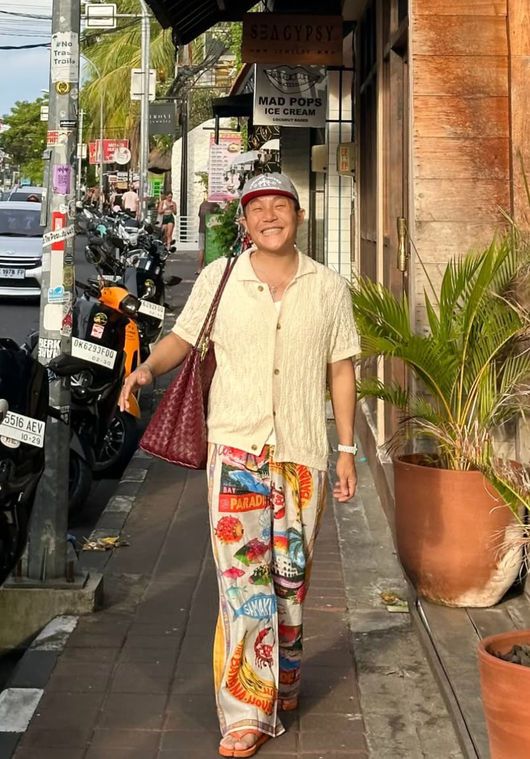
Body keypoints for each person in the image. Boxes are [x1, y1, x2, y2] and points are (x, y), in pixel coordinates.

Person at [119, 172, 359, 758]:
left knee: (290, 584)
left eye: (280, 206)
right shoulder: (219, 278)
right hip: (234, 451)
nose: (269, 217)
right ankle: (246, 712)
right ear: (245, 222)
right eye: (258, 209)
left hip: (301, 454)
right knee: (243, 587)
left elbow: (341, 368)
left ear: (299, 215)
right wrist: (147, 369)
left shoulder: (328, 287)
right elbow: (183, 338)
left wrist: (348, 450)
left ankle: (286, 673)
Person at [197, 195, 220, 274]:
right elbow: (219, 216)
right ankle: (207, 267)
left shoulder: (202, 204)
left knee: (201, 248)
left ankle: (199, 268)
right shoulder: (214, 205)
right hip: (211, 230)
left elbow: (199, 215)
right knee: (210, 248)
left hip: (201, 229)